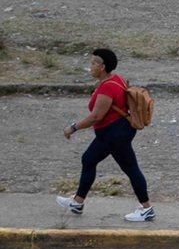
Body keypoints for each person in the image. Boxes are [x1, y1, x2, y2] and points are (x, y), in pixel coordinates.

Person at [56, 48, 154, 222]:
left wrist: (73, 127)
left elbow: (96, 116)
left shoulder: (107, 87)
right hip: (113, 132)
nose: (90, 66)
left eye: (93, 63)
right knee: (89, 159)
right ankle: (78, 202)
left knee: (130, 168)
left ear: (102, 67)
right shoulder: (116, 79)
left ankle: (146, 209)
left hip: (115, 134)